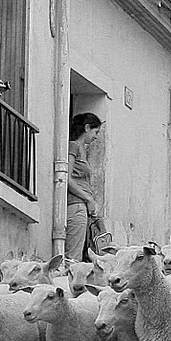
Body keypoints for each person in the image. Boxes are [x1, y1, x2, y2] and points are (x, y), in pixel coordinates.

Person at [66, 112, 103, 261]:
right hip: (76, 205)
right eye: (96, 132)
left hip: (82, 207)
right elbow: (67, 179)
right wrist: (88, 199)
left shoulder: (82, 150)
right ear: (87, 128)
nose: (96, 137)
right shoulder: (73, 146)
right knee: (73, 259)